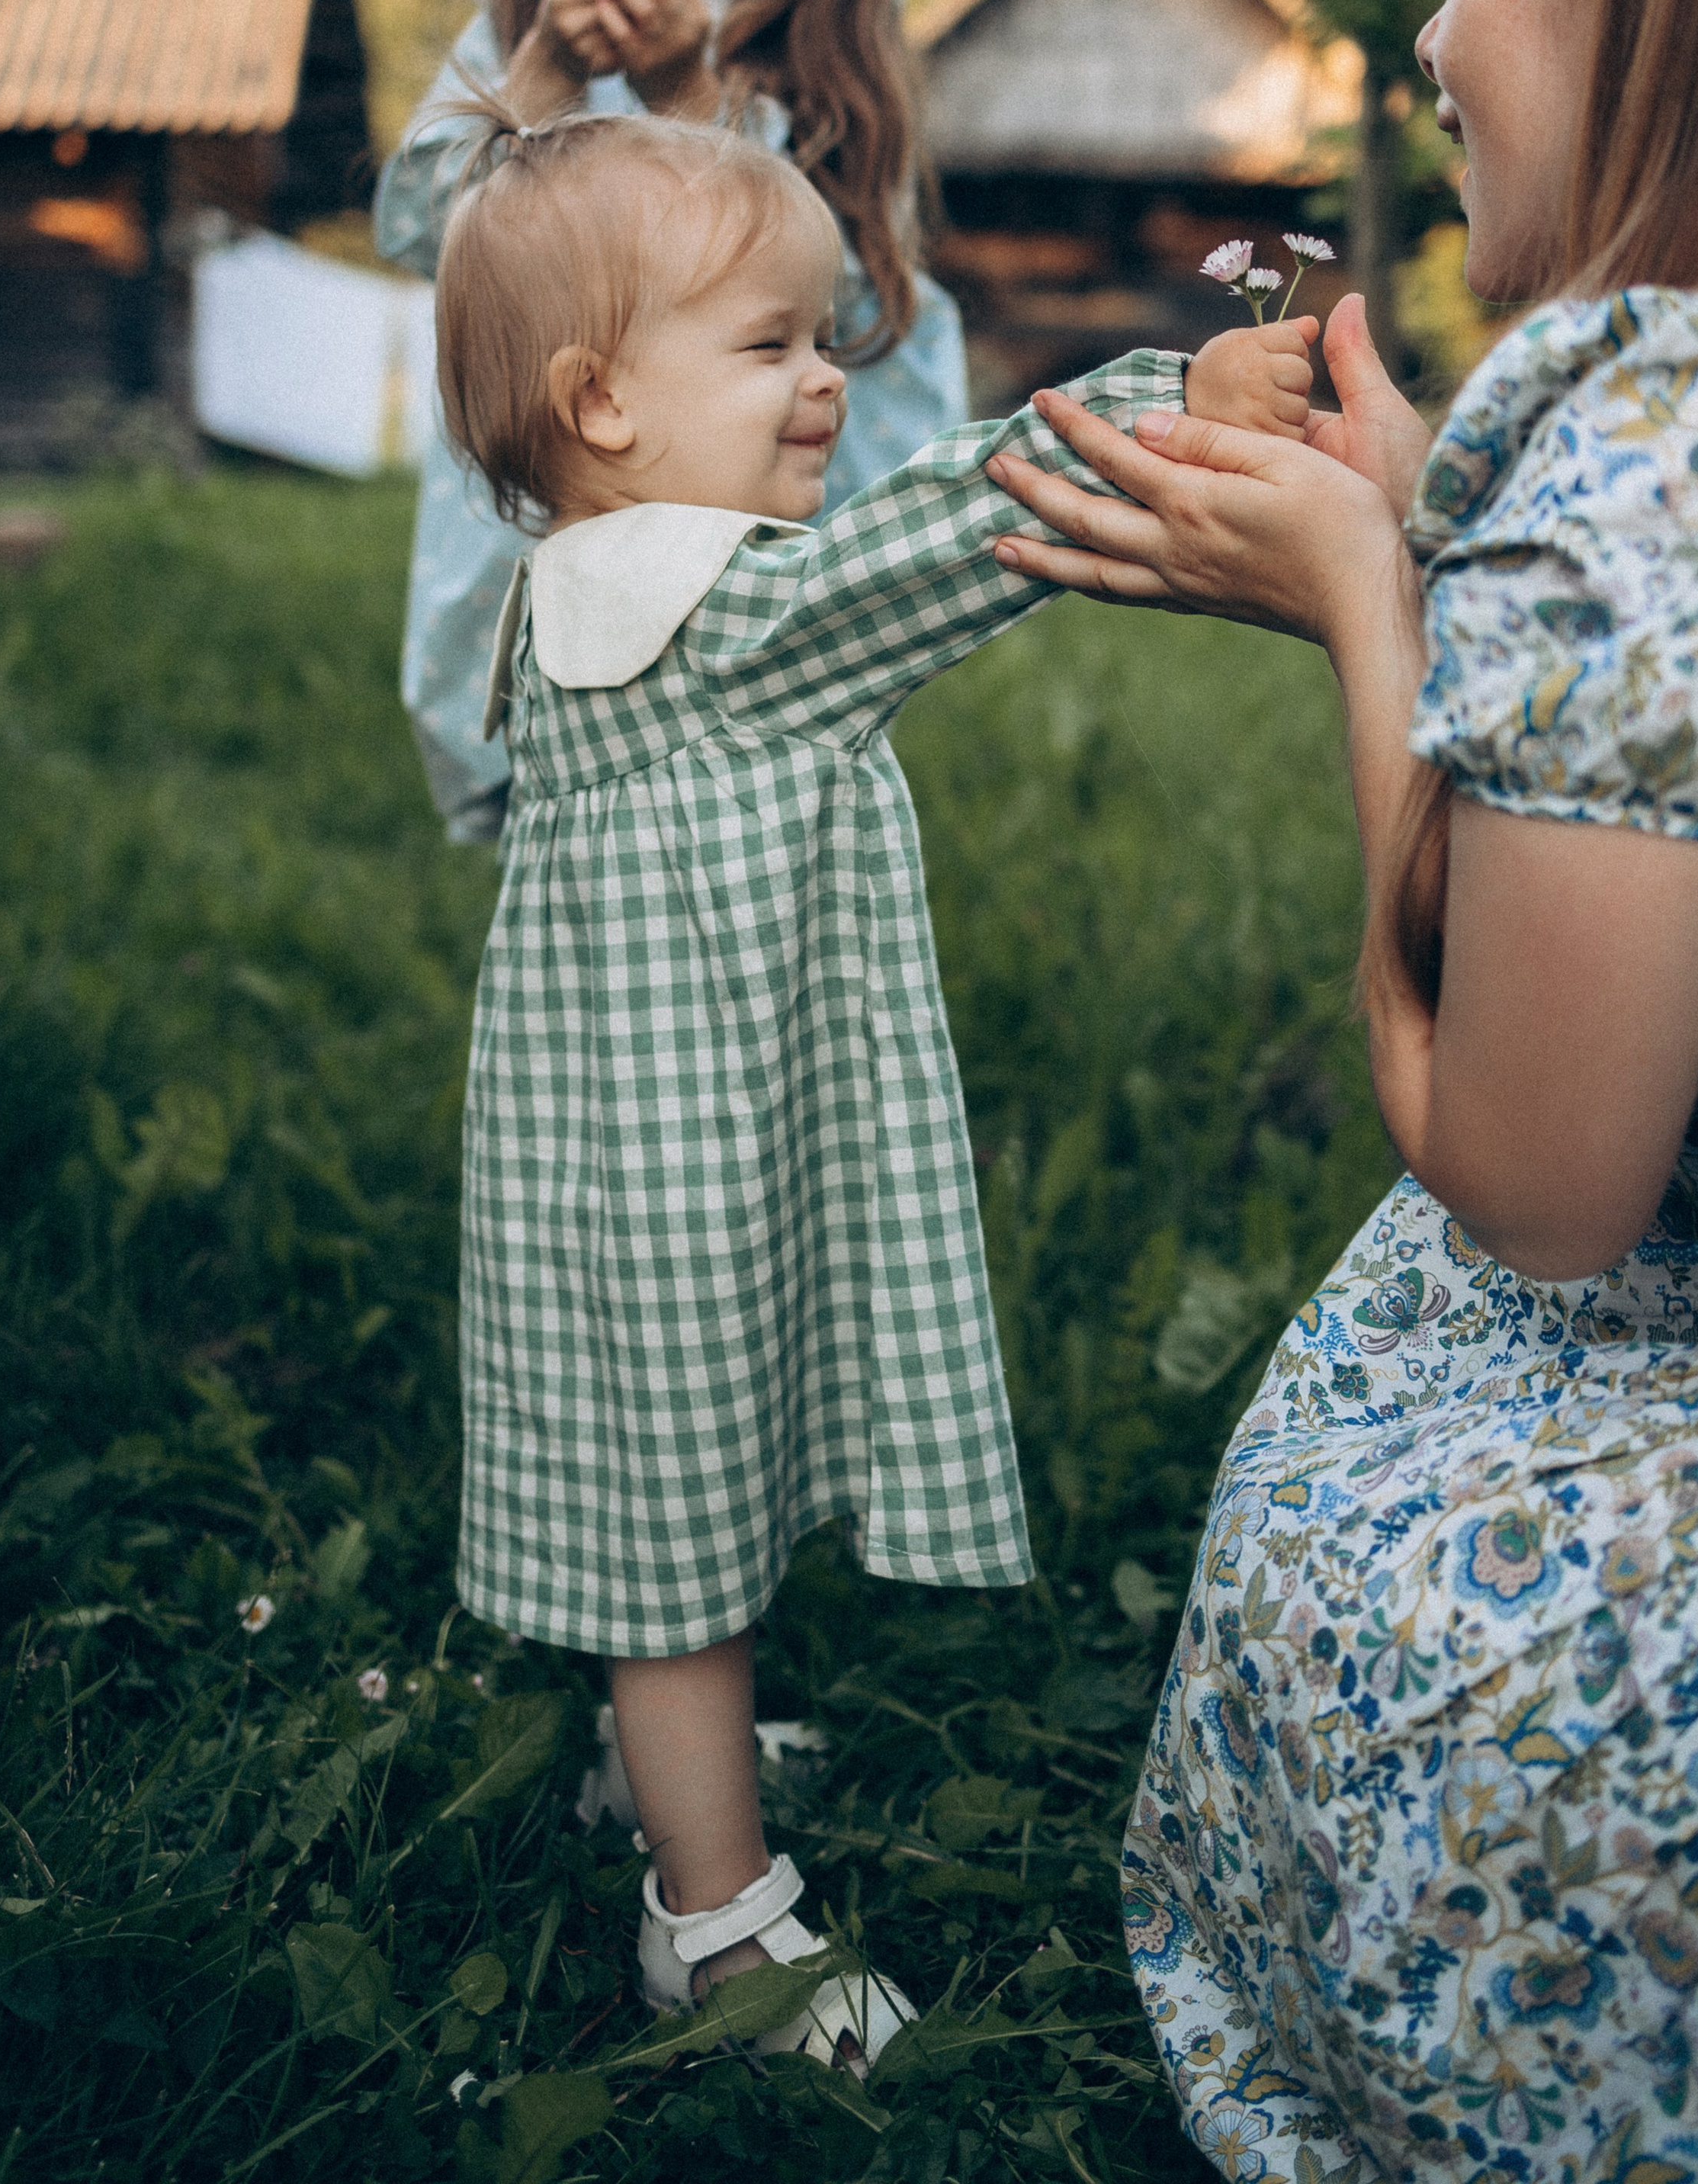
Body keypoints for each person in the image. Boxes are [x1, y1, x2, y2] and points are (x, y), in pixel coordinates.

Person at [984, 0, 1698, 2176]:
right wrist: (1451, 525)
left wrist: (1369, 610)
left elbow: (1535, 1174)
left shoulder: (1665, 433)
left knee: (1431, 1354)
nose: (1425, 40)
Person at [432, 101, 1314, 2067]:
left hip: (632, 1162)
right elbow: (942, 532)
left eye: (822, 336)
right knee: (680, 1544)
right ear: (600, 404)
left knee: (669, 1484)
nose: (826, 380)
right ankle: (714, 1925)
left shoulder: (583, 592)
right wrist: (1165, 402)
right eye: (769, 345)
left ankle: (653, 1763)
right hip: (688, 1172)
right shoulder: (727, 617)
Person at [376, 0, 971, 841]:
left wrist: (689, 90)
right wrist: (539, 71)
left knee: (736, 800)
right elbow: (420, 233)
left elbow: (849, 284)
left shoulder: (825, 3)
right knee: (567, 808)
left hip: (745, 517)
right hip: (560, 482)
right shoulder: (528, 5)